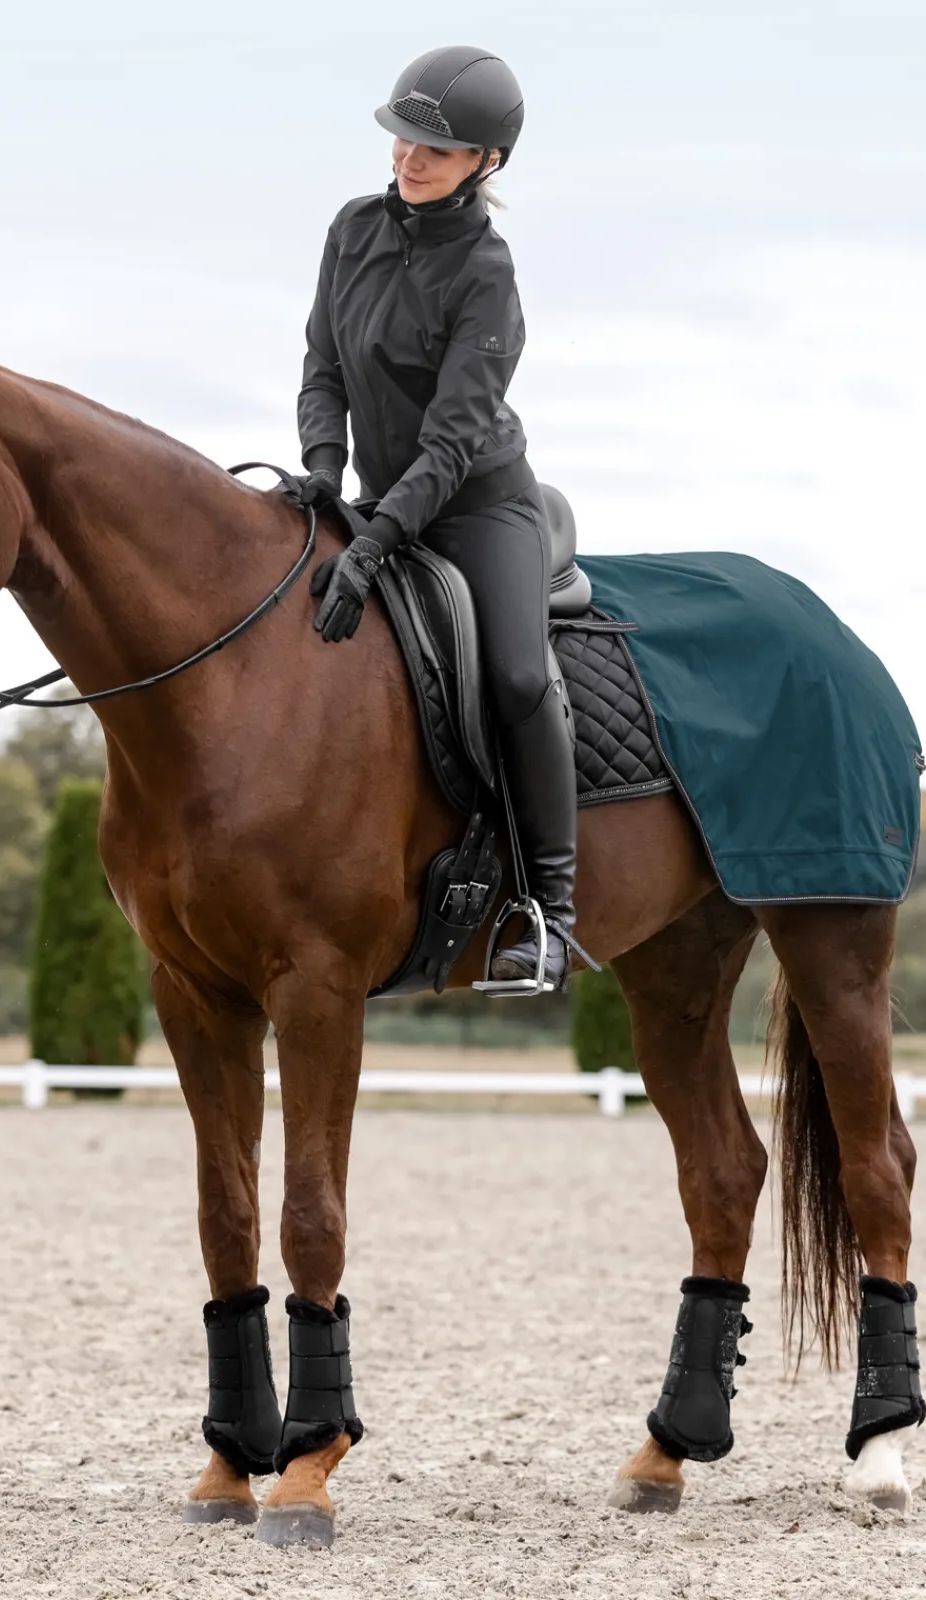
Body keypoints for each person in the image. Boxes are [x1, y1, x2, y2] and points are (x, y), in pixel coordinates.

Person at [295, 45, 577, 989]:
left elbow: (453, 443)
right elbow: (323, 364)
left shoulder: (487, 275)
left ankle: (549, 910)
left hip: (479, 508)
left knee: (518, 676)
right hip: (378, 496)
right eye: (405, 137)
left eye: (438, 150)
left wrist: (375, 544)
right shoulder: (351, 229)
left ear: (487, 164)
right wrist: (327, 476)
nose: (412, 158)